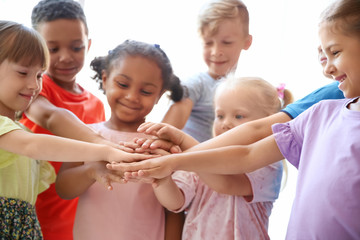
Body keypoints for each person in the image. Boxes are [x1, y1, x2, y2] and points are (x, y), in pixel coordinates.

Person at [109, 0, 360, 238]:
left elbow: (233, 173)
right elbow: (178, 199)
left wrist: (179, 154)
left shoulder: (267, 169)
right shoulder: (321, 113)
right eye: (219, 115)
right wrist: (165, 172)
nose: (327, 68)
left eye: (335, 52)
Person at [0, 20, 150, 239]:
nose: (34, 85)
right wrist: (105, 150)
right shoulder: (20, 137)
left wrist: (97, 166)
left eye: (39, 75)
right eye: (23, 73)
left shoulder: (23, 131)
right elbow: (33, 145)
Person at [122, 76, 293, 239]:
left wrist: (183, 141)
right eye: (220, 116)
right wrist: (163, 180)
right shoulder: (199, 156)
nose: (225, 123)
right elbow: (175, 202)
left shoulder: (268, 165)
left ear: (266, 123)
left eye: (238, 116)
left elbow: (225, 184)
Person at [55, 40, 185, 240]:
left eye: (146, 91)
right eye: (123, 84)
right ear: (105, 79)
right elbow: (63, 189)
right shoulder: (86, 135)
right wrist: (92, 170)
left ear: (159, 95)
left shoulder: (161, 144)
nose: (132, 96)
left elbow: (174, 210)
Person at [19, 1, 108, 239]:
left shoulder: (97, 105)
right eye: (53, 49)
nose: (66, 57)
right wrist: (103, 144)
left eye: (76, 47)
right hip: (29, 223)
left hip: (75, 226)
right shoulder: (32, 88)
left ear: (88, 45)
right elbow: (49, 115)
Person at [162, 0, 252, 142]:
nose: (216, 52)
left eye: (227, 42)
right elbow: (164, 132)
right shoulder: (196, 85)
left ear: (247, 42)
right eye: (208, 43)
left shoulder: (243, 91)